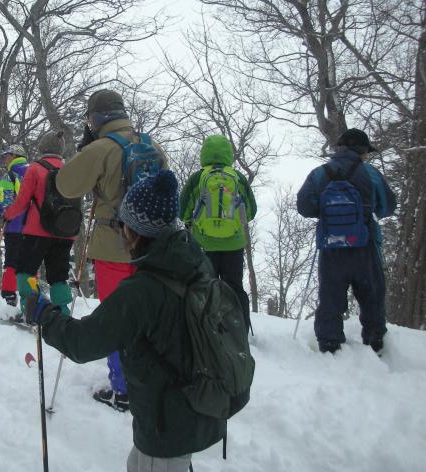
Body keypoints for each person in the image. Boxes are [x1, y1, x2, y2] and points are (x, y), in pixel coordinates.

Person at [25, 170, 225, 472]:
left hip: (166, 424)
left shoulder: (143, 291)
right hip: (197, 407)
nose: (121, 232)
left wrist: (44, 314)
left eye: (124, 226)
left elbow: (83, 342)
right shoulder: (194, 261)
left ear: (136, 232)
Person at [55, 88, 167, 411]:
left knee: (118, 319)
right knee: (148, 318)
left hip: (112, 248)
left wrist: (86, 153)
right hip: (150, 248)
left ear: (95, 118)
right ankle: (150, 382)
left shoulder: (102, 148)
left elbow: (65, 184)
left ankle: (123, 391)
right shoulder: (152, 146)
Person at [296, 128, 396, 354]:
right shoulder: (370, 173)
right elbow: (388, 206)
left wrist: (326, 212)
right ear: (362, 151)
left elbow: (304, 206)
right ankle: (375, 342)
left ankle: (329, 344)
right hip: (365, 244)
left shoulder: (320, 173)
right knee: (371, 295)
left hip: (331, 247)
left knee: (330, 297)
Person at [179, 134, 256, 331]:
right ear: (228, 153)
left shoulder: (198, 178)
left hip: (203, 244)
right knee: (234, 286)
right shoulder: (237, 178)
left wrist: (193, 222)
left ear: (204, 153)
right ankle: (240, 329)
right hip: (234, 245)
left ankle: (205, 329)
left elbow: (182, 211)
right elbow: (251, 211)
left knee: (204, 286)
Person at [4, 130, 75, 316]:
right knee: (59, 275)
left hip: (37, 231)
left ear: (42, 147)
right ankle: (63, 313)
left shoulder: (35, 168)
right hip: (65, 232)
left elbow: (22, 201)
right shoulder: (70, 169)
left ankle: (31, 311)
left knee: (25, 271)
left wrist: (8, 215)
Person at [0, 145, 29, 306]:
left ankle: (9, 296)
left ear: (14, 156)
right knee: (30, 264)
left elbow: (5, 201)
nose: (4, 159)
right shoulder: (34, 171)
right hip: (35, 227)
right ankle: (31, 300)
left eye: (6, 156)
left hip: (15, 225)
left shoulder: (9, 175)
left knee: (11, 262)